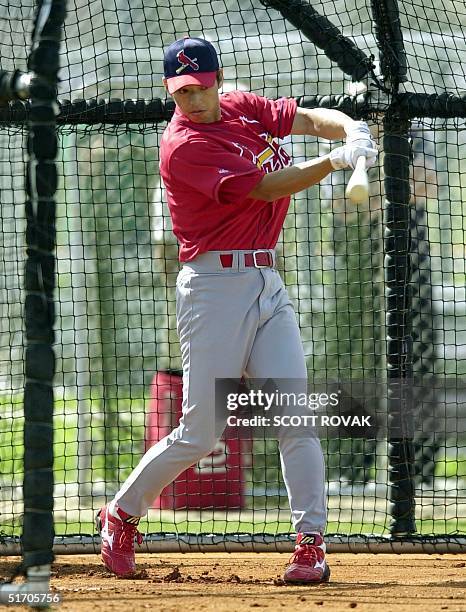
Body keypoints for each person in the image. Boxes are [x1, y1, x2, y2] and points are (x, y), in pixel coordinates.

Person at [97, 36, 378, 583]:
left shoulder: (240, 106)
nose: (194, 101)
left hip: (266, 279)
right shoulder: (183, 146)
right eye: (182, 93)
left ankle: (309, 545)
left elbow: (307, 118)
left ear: (217, 79)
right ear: (169, 92)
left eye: (201, 88)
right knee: (202, 432)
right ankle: (121, 514)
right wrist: (335, 161)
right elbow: (268, 187)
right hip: (213, 286)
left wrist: (350, 130)